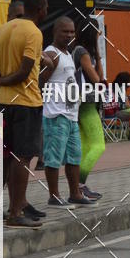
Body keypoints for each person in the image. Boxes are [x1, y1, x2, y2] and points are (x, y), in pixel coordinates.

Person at [0, 0, 49, 228]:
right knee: (22, 158)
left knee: (5, 158)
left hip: (3, 103)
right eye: (46, 8)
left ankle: (0, 208)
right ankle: (15, 213)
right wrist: (4, 81)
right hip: (26, 103)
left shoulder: (2, 30)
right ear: (40, 9)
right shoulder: (34, 32)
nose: (47, 11)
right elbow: (24, 71)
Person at [41, 16, 92, 207]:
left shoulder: (67, 54)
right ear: (55, 32)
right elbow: (40, 83)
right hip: (56, 115)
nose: (69, 35)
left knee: (74, 156)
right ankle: (54, 196)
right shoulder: (52, 54)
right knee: (53, 158)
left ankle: (75, 194)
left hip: (71, 115)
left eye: (72, 32)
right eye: (65, 31)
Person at [72, 20, 105, 201]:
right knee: (98, 146)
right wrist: (97, 46)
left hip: (84, 103)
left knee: (85, 147)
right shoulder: (82, 52)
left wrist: (97, 54)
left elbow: (100, 76)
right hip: (86, 104)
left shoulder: (85, 52)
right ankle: (79, 185)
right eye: (97, 33)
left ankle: (78, 187)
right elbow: (96, 79)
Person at [102, 71, 130, 141]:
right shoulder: (120, 89)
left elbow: (127, 104)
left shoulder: (112, 87)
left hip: (111, 111)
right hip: (116, 112)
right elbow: (127, 105)